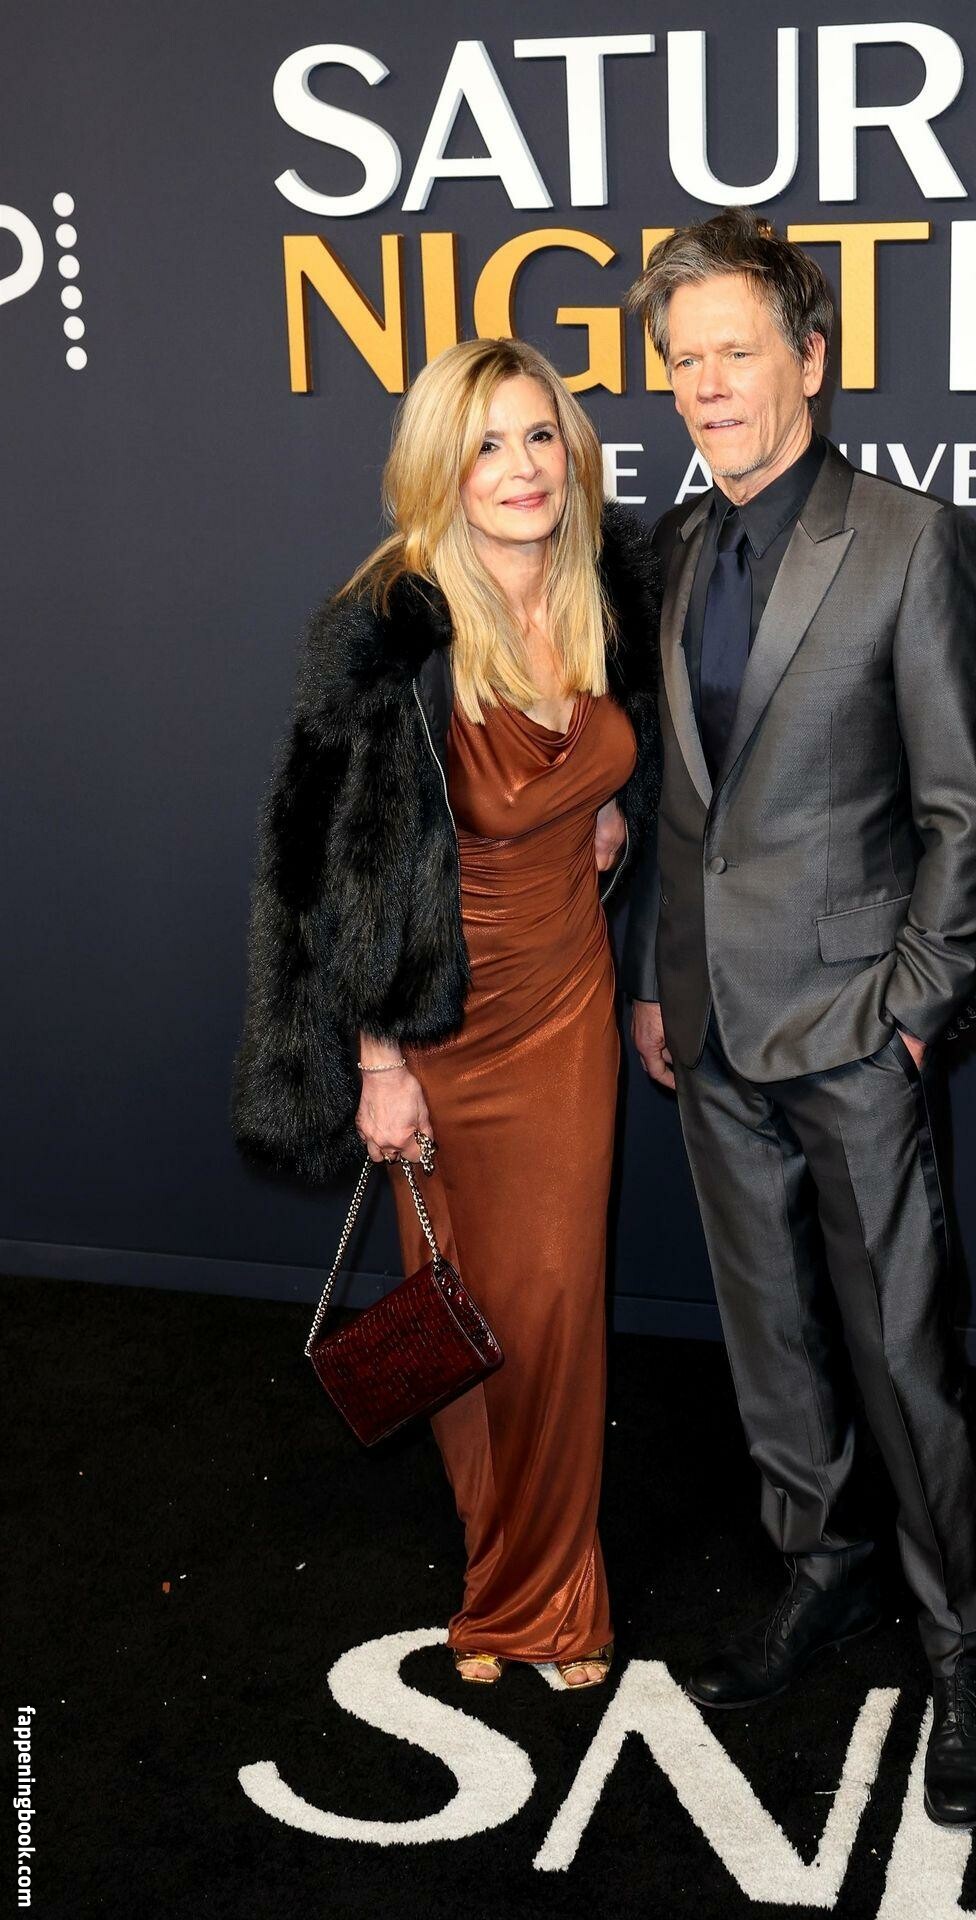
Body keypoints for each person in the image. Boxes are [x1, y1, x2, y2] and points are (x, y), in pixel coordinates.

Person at [622, 209, 976, 1825]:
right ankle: (824, 1570)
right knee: (771, 1341)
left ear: (812, 358)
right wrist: (657, 976)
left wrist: (913, 1014)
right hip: (709, 1026)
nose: (708, 385)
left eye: (736, 352)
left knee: (904, 1355)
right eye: (683, 361)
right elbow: (681, 802)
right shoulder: (672, 547)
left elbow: (965, 813)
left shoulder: (912, 543)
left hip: (855, 1028)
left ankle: (969, 1644)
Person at [231, 336, 661, 1688]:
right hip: (439, 1028)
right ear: (440, 468)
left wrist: (605, 809)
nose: (521, 468)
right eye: (487, 444)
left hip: (566, 1002)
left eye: (540, 436)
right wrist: (379, 1061)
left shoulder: (604, 594)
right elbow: (334, 873)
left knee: (553, 1306)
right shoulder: (388, 628)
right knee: (459, 1305)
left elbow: (617, 756)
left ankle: (548, 1594)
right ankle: (503, 1573)